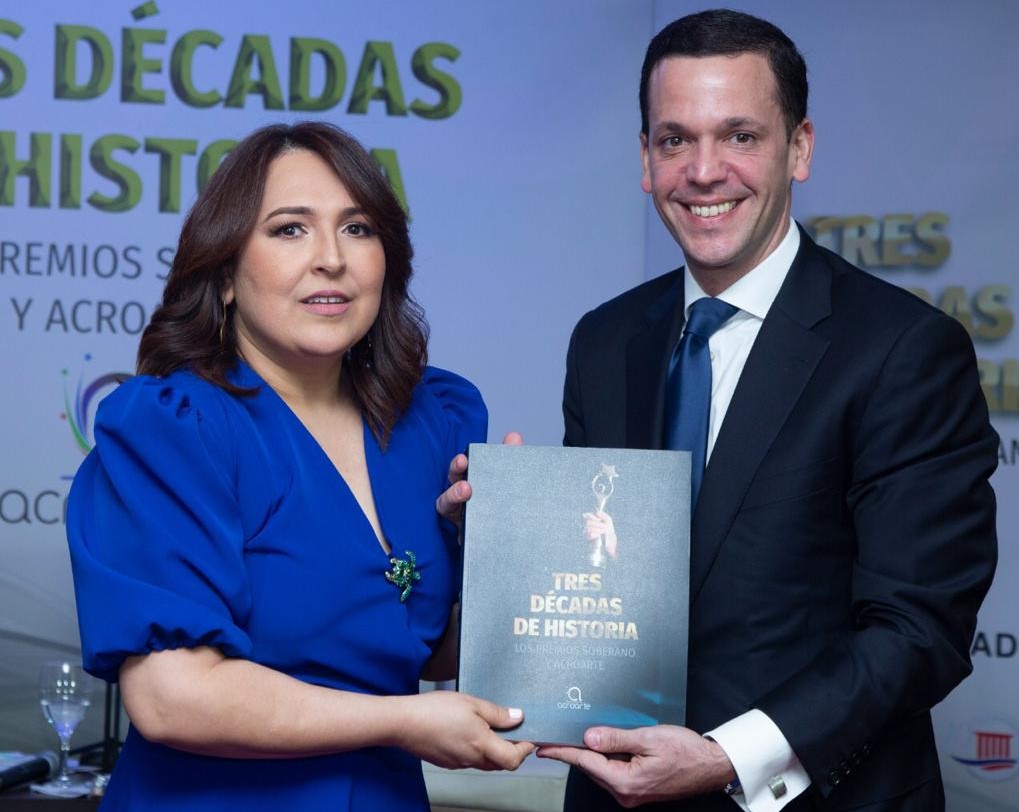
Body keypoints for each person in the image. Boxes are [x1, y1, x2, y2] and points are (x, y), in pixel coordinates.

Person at [443, 9, 998, 811]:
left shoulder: (902, 350)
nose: (704, 172)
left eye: (739, 135)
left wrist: (725, 756)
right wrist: (507, 538)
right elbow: (606, 588)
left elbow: (918, 628)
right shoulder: (605, 340)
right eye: (675, 139)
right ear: (645, 158)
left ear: (798, 148)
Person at [66, 121, 533, 811]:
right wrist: (402, 721)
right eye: (290, 229)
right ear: (225, 274)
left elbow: (431, 652)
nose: (331, 259)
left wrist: (508, 555)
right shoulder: (175, 426)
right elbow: (171, 698)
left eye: (357, 229)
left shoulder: (433, 420)